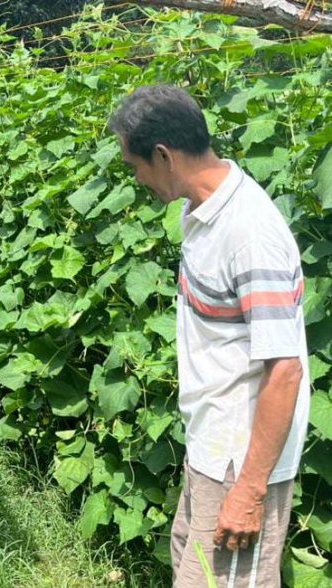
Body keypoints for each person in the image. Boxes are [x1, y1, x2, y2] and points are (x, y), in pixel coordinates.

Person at [109, 85, 309, 587]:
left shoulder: (248, 233)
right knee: (190, 565)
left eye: (136, 166)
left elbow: (285, 370)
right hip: (212, 450)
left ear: (163, 155)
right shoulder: (200, 212)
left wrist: (249, 491)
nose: (136, 179)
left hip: (238, 464)